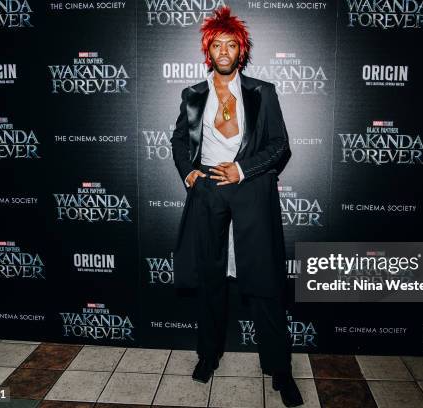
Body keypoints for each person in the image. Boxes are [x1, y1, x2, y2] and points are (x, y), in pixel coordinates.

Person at [170, 6, 302, 407]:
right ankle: (208, 356)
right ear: (207, 51)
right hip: (208, 192)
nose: (223, 51)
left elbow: (280, 145)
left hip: (251, 193)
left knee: (264, 284)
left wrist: (242, 169)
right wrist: (188, 171)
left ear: (240, 51)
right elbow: (178, 140)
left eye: (231, 44)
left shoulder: (262, 93)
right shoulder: (192, 95)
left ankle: (279, 370)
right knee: (211, 280)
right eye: (216, 44)